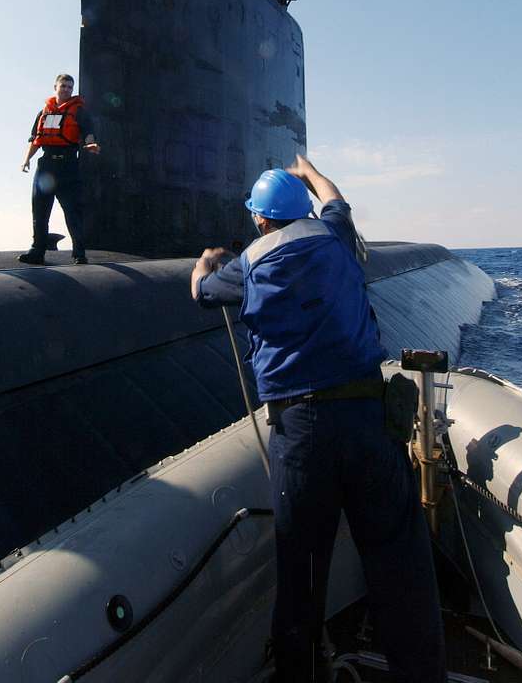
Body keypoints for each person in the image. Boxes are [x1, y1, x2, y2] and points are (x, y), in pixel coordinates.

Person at [190, 155, 446, 683]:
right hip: (366, 421)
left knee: (301, 579)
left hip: (302, 434)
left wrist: (206, 261)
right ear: (302, 207)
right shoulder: (336, 233)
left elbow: (199, 291)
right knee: (400, 567)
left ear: (259, 219)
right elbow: (333, 197)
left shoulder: (249, 262)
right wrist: (308, 170)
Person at [18, 74, 100, 266]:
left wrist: (91, 145)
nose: (66, 90)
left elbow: (88, 133)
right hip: (45, 166)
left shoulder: (79, 112)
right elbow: (36, 140)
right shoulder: (44, 112)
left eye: (70, 87)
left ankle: (79, 253)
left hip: (68, 167)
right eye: (63, 86)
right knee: (39, 211)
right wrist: (26, 160)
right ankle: (37, 251)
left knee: (72, 212)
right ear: (55, 86)